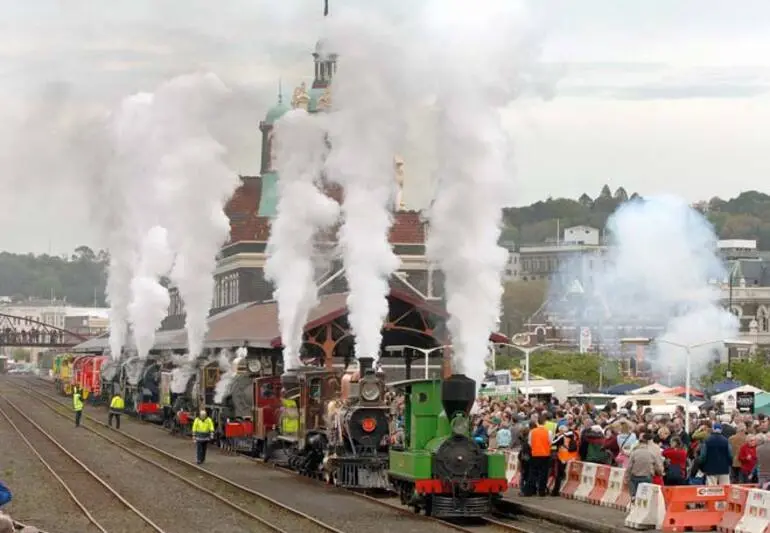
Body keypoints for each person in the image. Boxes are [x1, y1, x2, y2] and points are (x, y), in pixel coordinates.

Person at [625, 432, 663, 500]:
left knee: (635, 495)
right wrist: (660, 472)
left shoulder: (634, 452)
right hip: (647, 477)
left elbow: (629, 466)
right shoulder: (651, 453)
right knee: (645, 496)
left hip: (635, 477)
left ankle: (634, 504)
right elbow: (657, 466)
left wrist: (626, 477)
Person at [524, 415, 551, 497]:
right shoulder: (548, 432)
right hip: (545, 455)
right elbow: (550, 442)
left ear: (537, 422)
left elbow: (529, 443)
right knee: (543, 474)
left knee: (532, 473)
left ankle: (529, 491)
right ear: (545, 422)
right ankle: (541, 492)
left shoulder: (532, 432)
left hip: (534, 454)